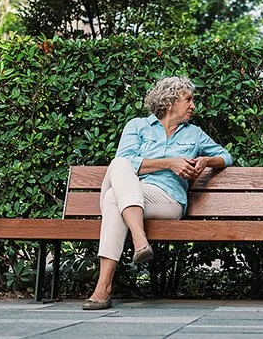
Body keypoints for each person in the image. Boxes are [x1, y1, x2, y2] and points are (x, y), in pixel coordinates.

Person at [83, 76, 233, 310]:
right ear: (170, 101)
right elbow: (127, 161)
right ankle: (137, 242)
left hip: (168, 200)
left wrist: (207, 160)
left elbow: (227, 157)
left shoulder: (194, 134)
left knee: (114, 197)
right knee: (119, 167)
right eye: (188, 100)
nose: (193, 105)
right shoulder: (137, 126)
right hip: (133, 193)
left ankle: (104, 286)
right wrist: (169, 163)